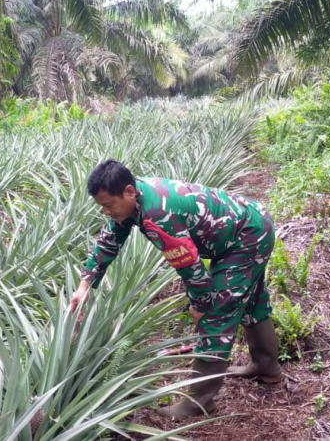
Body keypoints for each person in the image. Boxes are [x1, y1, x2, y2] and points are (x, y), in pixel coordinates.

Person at [70, 159, 281, 419]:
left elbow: (191, 268)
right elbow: (109, 240)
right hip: (246, 227)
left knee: (218, 311)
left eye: (108, 205)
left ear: (127, 192)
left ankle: (198, 401)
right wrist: (85, 285)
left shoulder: (158, 216)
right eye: (101, 206)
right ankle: (266, 366)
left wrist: (200, 305)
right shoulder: (135, 197)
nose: (106, 212)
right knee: (251, 299)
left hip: (247, 236)